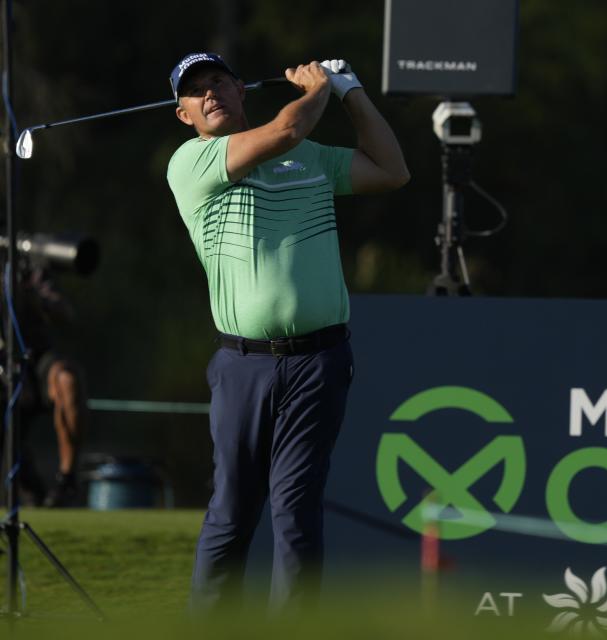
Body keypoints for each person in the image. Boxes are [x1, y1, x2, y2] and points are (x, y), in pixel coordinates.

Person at [165, 52, 409, 608]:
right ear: (184, 115)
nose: (211, 94)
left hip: (318, 361)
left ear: (241, 88)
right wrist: (321, 89)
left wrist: (352, 92)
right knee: (232, 511)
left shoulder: (310, 158)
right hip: (243, 365)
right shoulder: (192, 162)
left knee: (296, 510)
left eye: (220, 81)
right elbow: (286, 127)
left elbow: (394, 171)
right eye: (196, 91)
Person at [12, 266, 88, 508]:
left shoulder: (26, 267)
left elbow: (64, 313)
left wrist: (35, 298)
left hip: (36, 360)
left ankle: (66, 481)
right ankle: (27, 481)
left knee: (68, 379)